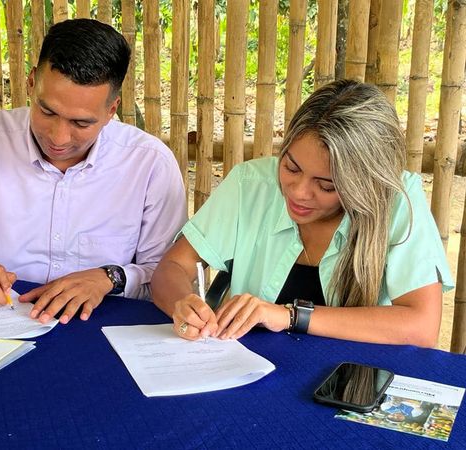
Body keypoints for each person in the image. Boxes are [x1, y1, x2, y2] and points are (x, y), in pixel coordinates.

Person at [0, 19, 187, 325]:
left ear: (111, 110)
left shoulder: (149, 164)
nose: (59, 138)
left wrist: (110, 278)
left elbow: (170, 272)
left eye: (81, 123)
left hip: (104, 325)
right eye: (47, 111)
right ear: (32, 83)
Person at [151, 79, 453, 347]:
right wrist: (183, 303)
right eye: (291, 167)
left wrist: (289, 315)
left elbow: (421, 326)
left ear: (364, 184)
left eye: (326, 185)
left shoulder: (395, 200)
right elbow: (173, 266)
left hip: (356, 378)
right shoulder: (251, 185)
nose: (298, 192)